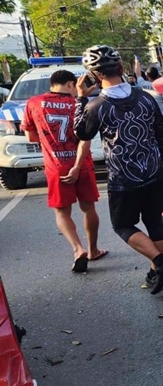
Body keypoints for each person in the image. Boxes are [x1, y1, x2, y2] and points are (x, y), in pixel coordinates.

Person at [73, 45, 163, 294]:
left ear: (94, 76)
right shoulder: (146, 97)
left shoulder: (96, 105)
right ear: (121, 69)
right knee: (153, 221)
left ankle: (161, 264)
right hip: (152, 170)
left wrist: (80, 97)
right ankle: (156, 271)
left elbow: (81, 132)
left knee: (122, 225)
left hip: (124, 177)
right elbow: (161, 133)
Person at [21, 70, 106, 273]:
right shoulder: (79, 104)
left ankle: (78, 249)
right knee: (89, 208)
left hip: (55, 166)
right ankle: (93, 250)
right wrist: (76, 165)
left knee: (62, 212)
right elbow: (85, 139)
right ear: (71, 84)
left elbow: (30, 137)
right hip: (82, 165)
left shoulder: (33, 102)